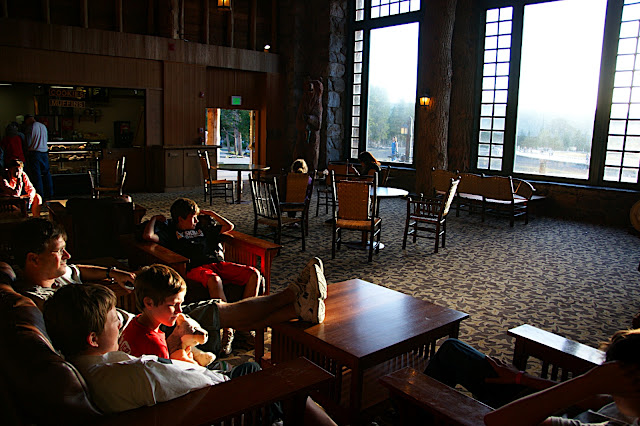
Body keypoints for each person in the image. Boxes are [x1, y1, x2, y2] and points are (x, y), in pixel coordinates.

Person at [42, 284, 336, 425]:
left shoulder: (84, 367)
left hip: (200, 396)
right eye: (112, 320)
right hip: (226, 407)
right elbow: (207, 384)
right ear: (93, 339)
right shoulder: (136, 375)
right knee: (286, 384)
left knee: (251, 367)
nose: (120, 323)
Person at [142, 197, 262, 354]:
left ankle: (244, 326)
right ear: (180, 219)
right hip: (195, 268)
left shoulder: (202, 228)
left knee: (254, 274)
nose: (196, 221)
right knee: (214, 280)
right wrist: (153, 219)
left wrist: (212, 214)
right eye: (193, 218)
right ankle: (228, 330)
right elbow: (148, 236)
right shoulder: (171, 232)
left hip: (216, 263)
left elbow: (229, 226)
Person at [484, 329, 640, 426]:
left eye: (615, 389)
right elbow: (598, 399)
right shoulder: (627, 405)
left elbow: (497, 421)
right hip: (557, 403)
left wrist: (589, 383)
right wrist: (521, 378)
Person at [9, 218, 136, 312]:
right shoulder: (41, 301)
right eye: (59, 251)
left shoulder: (54, 274)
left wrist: (112, 273)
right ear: (34, 259)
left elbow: (78, 269)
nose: (67, 255)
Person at [23, 114, 53, 200]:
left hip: (34, 153)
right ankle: (50, 193)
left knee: (37, 175)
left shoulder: (30, 127)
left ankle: (40, 195)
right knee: (46, 174)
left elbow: (28, 142)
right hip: (44, 152)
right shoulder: (43, 126)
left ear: (27, 120)